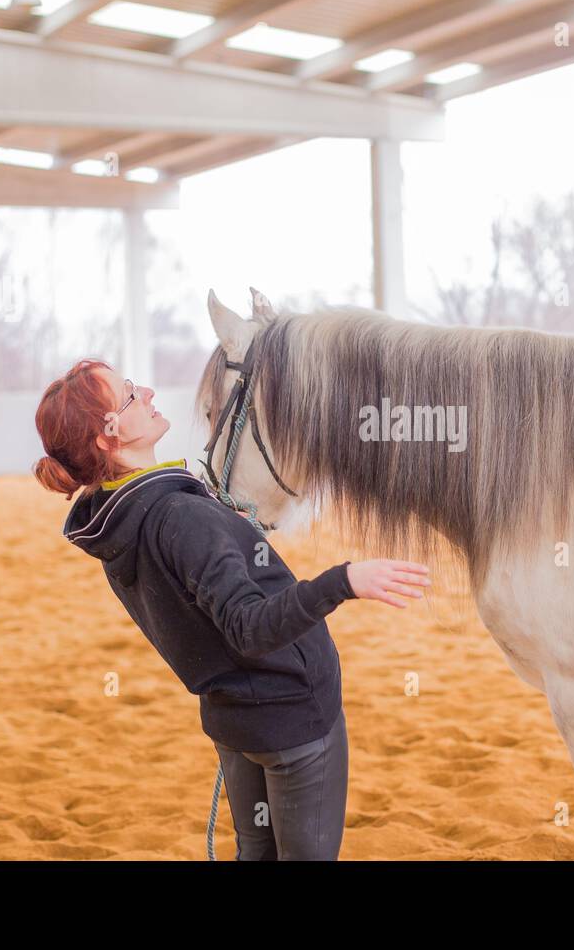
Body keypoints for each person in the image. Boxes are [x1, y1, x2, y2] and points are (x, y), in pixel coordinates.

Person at [33, 359, 432, 860]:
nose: (150, 393)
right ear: (108, 435)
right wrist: (344, 580)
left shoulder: (116, 520)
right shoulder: (180, 516)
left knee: (254, 854)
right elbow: (248, 629)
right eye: (131, 394)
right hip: (290, 715)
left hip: (234, 722)